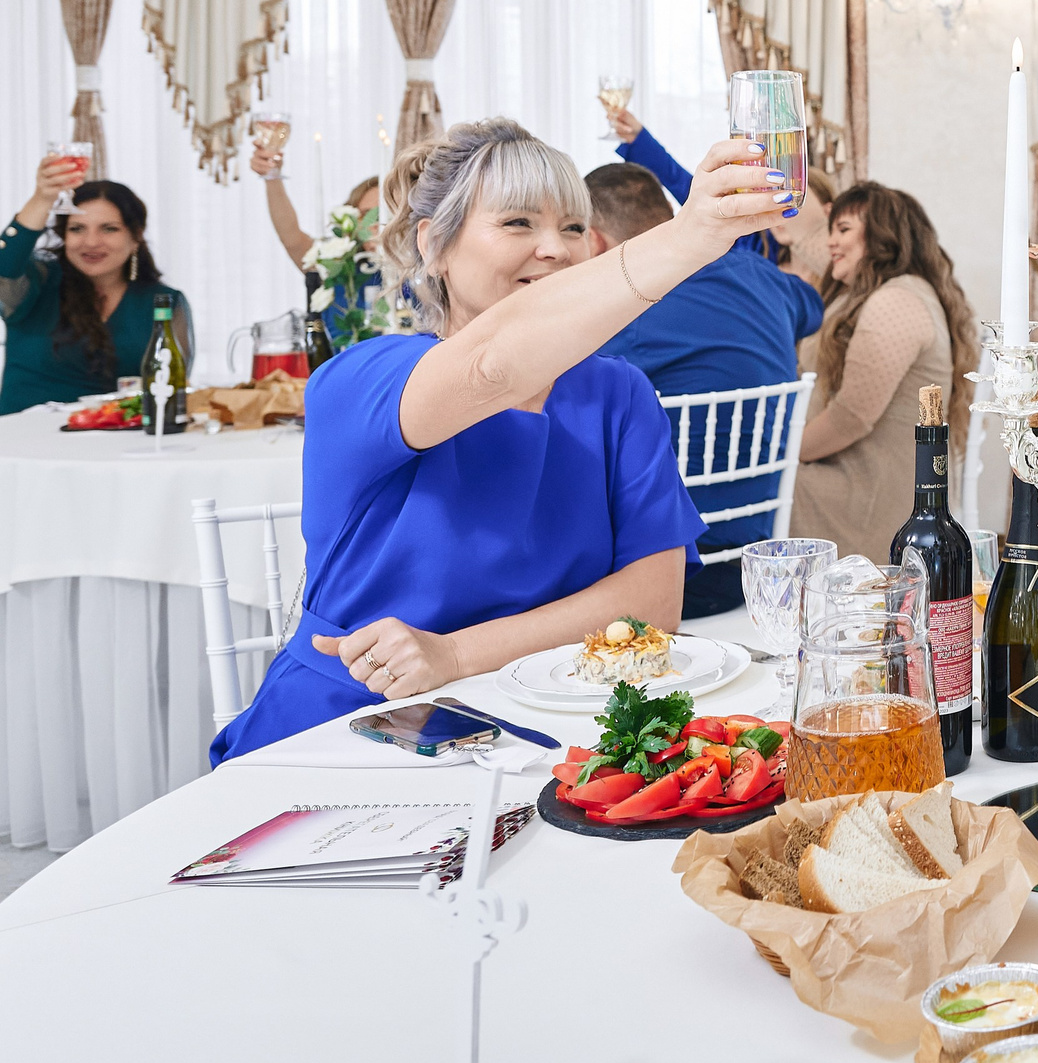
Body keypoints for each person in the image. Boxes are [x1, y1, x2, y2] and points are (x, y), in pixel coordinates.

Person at [209, 118, 785, 762]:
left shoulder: (616, 392)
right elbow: (492, 368)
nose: (555, 249)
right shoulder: (361, 381)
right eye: (517, 223)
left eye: (574, 227)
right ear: (434, 245)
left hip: (552, 727)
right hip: (355, 721)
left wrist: (454, 654)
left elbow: (651, 603)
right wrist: (688, 237)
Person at [585, 162, 826, 618]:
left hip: (665, 570)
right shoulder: (760, 274)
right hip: (755, 559)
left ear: (594, 241)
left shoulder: (624, 304)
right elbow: (812, 306)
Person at [792, 180, 978, 564]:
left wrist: (784, 453)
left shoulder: (896, 300)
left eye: (844, 230)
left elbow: (851, 417)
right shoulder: (868, 294)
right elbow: (808, 243)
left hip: (867, 492)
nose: (830, 242)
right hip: (848, 470)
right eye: (831, 229)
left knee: (749, 483)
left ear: (883, 237)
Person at [1, 160, 193, 415]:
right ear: (64, 235)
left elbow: (170, 388)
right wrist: (42, 199)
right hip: (25, 435)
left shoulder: (163, 301)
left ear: (135, 236)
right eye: (77, 229)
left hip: (116, 436)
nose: (91, 242)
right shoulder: (38, 282)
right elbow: (5, 266)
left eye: (109, 229)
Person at [608, 104, 833, 282]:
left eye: (790, 198)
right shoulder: (753, 247)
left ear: (827, 212)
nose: (775, 204)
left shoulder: (838, 273)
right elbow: (689, 190)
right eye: (772, 194)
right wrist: (640, 140)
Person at [249, 135, 384, 348]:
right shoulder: (338, 266)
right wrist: (272, 177)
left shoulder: (421, 270)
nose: (375, 225)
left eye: (383, 214)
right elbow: (292, 238)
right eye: (366, 215)